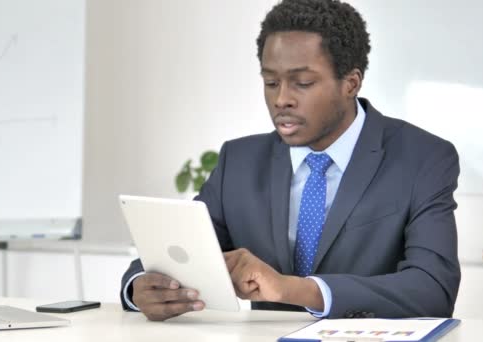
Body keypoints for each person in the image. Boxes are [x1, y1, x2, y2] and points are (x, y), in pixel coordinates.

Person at [120, 0, 460, 321]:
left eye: (303, 83)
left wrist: (295, 290)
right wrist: (142, 288)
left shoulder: (423, 159)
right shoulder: (239, 162)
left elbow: (433, 289)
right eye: (271, 82)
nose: (281, 99)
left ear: (351, 83)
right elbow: (180, 254)